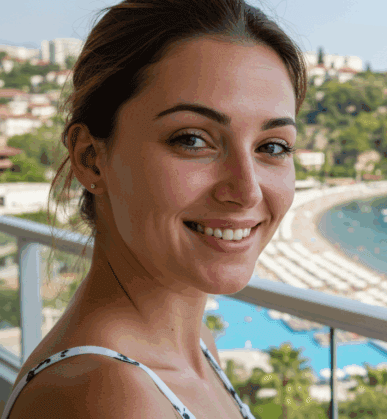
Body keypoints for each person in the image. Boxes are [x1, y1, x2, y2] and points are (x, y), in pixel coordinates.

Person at [1, 0, 306, 418]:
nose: (247, 190)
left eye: (272, 147)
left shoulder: (196, 343)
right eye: (192, 140)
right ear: (91, 157)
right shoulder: (106, 395)